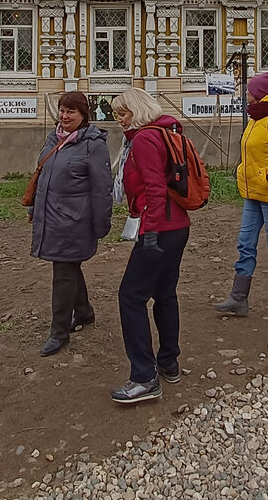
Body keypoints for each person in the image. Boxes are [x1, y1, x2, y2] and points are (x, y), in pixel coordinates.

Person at [109, 88, 191, 404]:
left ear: (139, 111)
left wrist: (151, 233)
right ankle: (169, 362)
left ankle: (144, 377)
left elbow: (155, 188)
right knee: (165, 293)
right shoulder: (166, 132)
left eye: (123, 113)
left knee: (130, 295)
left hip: (159, 226)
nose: (119, 120)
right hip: (176, 224)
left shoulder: (144, 139)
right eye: (117, 113)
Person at [29, 92, 112, 357]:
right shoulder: (54, 138)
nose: (64, 117)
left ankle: (59, 332)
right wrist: (34, 207)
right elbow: (42, 176)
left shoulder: (93, 144)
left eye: (71, 112)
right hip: (51, 217)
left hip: (74, 221)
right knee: (67, 266)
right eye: (62, 111)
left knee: (62, 273)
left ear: (83, 115)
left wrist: (101, 225)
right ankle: (84, 312)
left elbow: (102, 189)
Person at [215, 71, 268, 318]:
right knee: (245, 244)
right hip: (252, 194)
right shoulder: (254, 118)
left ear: (259, 93)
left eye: (249, 89)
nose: (245, 93)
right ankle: (239, 298)